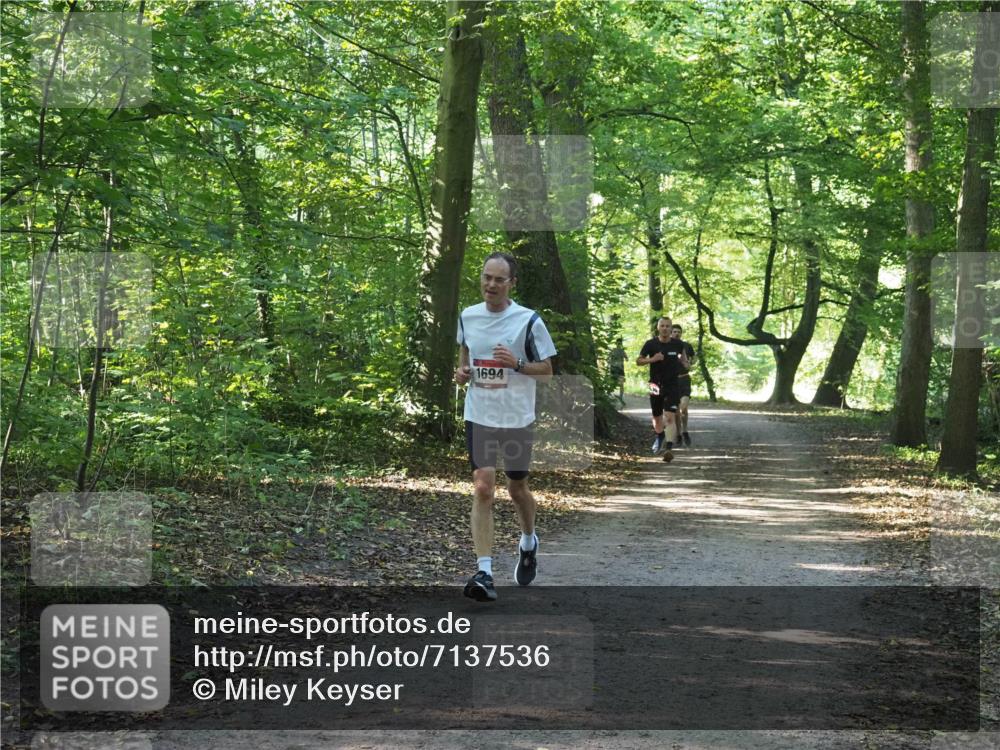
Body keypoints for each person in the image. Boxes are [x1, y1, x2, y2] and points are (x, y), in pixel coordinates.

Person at [454, 252, 556, 602]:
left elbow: (547, 369)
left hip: (516, 418)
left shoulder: (528, 321)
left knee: (517, 489)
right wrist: (461, 374)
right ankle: (484, 571)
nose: (491, 285)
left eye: (499, 279)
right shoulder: (468, 316)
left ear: (512, 283)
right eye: (487, 277)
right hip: (480, 413)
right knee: (483, 488)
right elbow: (464, 357)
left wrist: (517, 363)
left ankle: (528, 541)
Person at [636, 316, 689, 463]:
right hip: (654, 385)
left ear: (671, 329)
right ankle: (659, 435)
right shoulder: (650, 344)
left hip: (672, 385)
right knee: (657, 417)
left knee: (670, 416)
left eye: (668, 326)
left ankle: (669, 449)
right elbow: (638, 361)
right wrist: (652, 359)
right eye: (662, 326)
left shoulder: (678, 344)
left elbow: (684, 360)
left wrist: (685, 364)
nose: (665, 328)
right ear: (658, 328)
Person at [670, 324, 696, 447]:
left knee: (683, 408)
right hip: (672, 381)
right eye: (674, 331)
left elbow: (694, 358)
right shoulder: (666, 346)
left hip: (685, 380)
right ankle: (679, 434)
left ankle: (685, 431)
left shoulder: (687, 346)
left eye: (679, 332)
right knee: (676, 412)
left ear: (681, 333)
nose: (676, 333)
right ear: (670, 333)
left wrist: (690, 362)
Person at [608, 338, 627, 407]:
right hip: (615, 369)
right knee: (612, 384)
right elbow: (608, 359)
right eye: (618, 343)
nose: (619, 344)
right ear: (616, 343)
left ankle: (620, 398)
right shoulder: (614, 350)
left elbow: (627, 358)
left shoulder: (621, 351)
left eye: (620, 343)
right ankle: (611, 399)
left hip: (619, 370)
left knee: (620, 385)